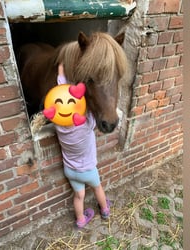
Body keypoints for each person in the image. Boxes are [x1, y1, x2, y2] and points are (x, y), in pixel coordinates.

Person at [54, 63, 110, 228]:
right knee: (98, 189)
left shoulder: (58, 124)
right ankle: (105, 210)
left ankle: (80, 220)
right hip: (89, 170)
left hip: (70, 171)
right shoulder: (87, 123)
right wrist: (65, 65)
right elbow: (94, 108)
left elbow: (62, 91)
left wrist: (61, 71)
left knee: (79, 196)